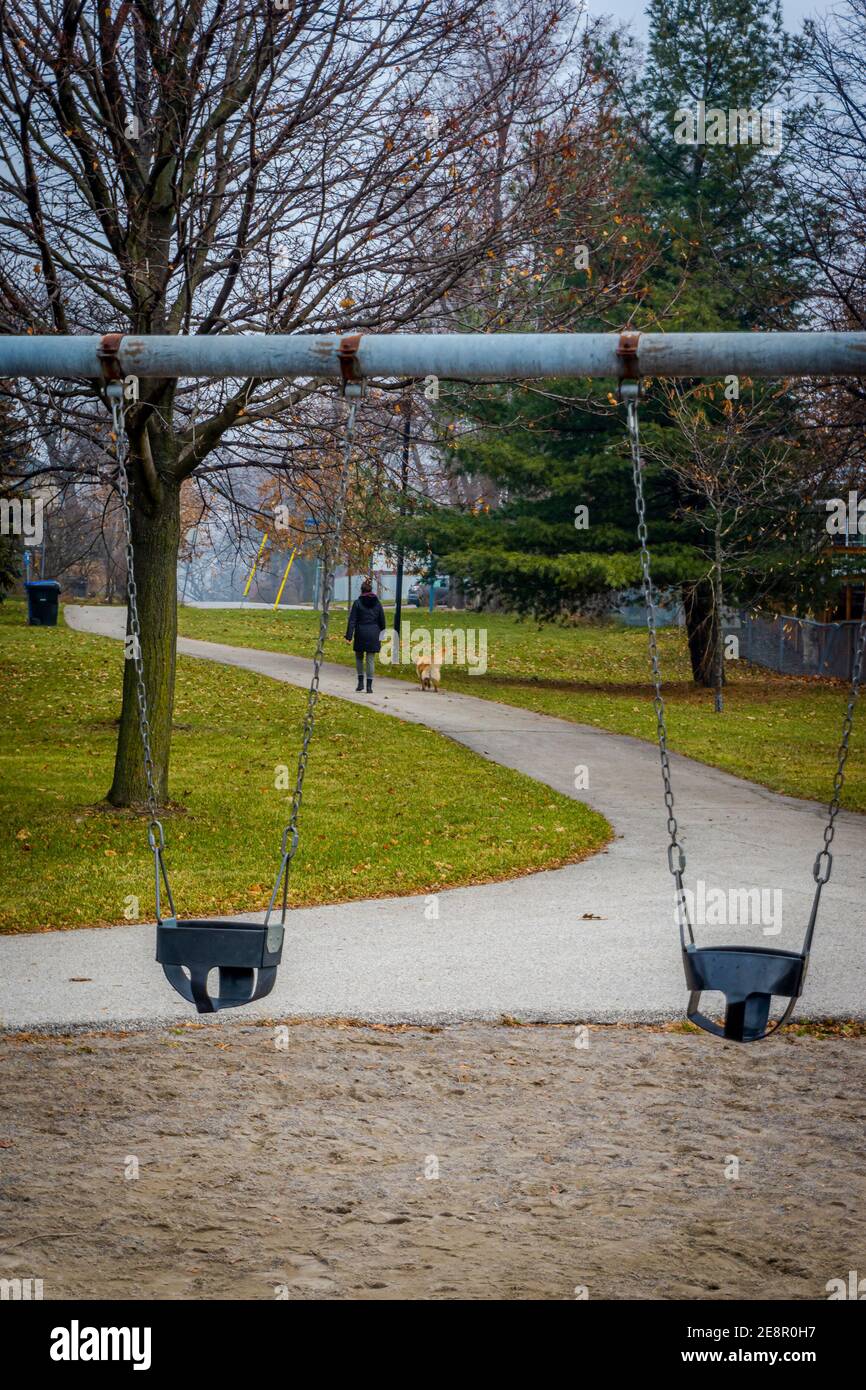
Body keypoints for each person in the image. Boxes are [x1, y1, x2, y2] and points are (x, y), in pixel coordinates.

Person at [345, 578, 386, 692]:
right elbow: (382, 621)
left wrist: (349, 636)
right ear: (371, 590)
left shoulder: (357, 603)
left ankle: (360, 683)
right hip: (374, 633)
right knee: (370, 660)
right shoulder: (377, 603)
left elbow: (352, 620)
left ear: (361, 591)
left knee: (359, 658)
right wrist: (382, 635)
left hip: (361, 633)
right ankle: (369, 686)